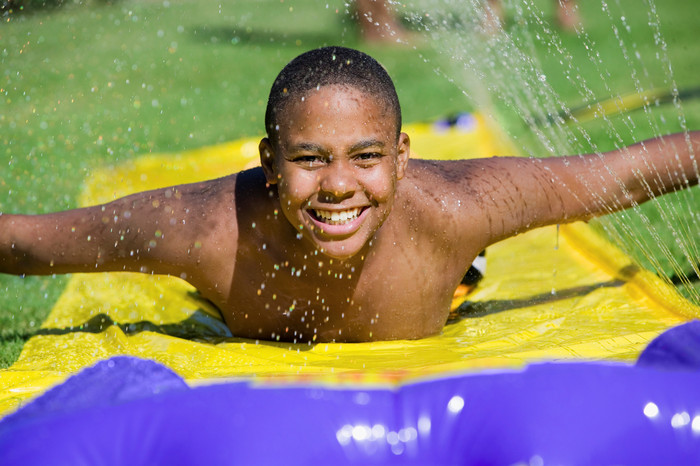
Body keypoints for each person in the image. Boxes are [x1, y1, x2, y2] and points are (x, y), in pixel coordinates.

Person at [1, 47, 698, 343]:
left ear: (401, 159)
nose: (338, 183)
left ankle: (465, 276)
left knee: (463, 273)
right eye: (309, 159)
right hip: (233, 297)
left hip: (440, 266)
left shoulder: (460, 206)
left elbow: (622, 174)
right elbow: (31, 242)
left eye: (365, 157)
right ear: (269, 162)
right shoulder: (201, 230)